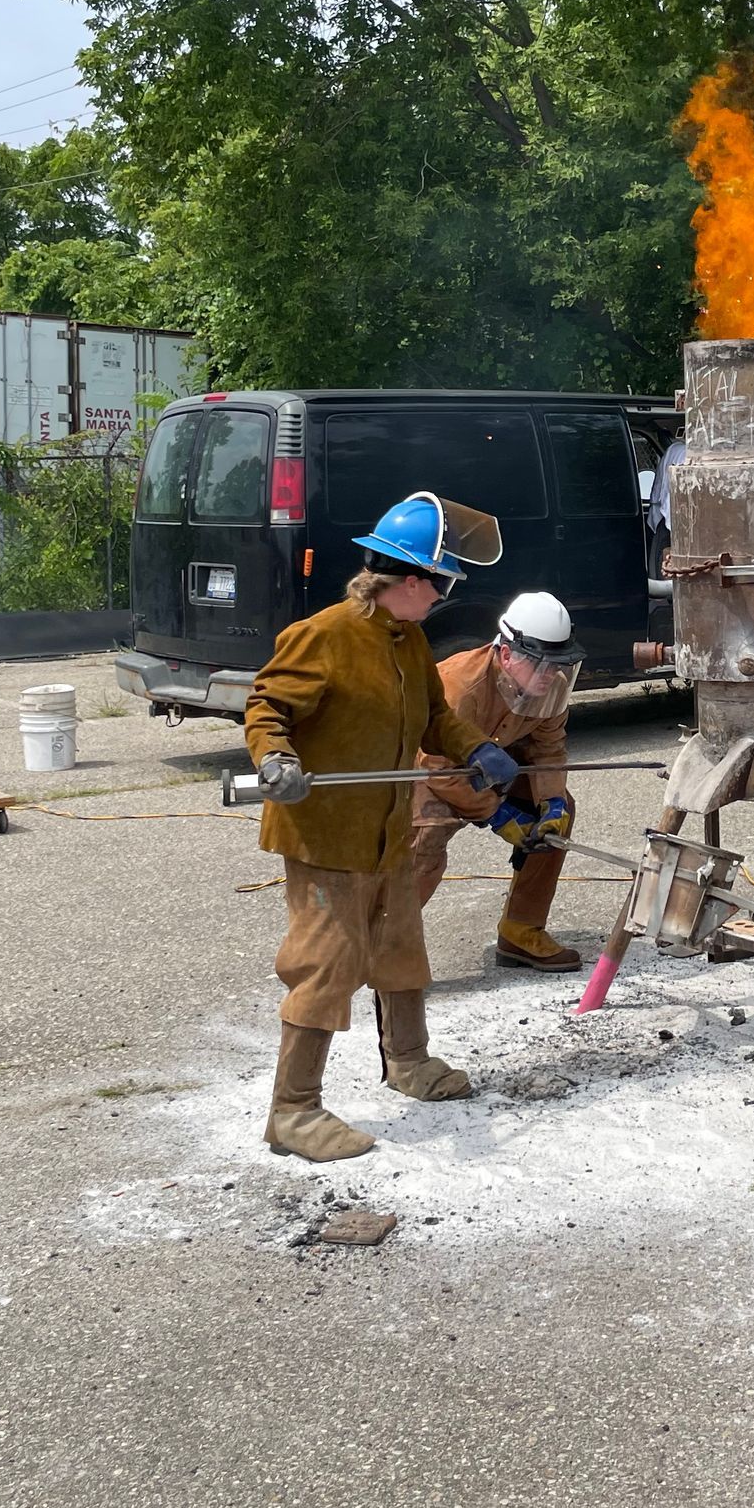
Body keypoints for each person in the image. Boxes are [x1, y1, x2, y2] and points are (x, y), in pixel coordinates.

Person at [244, 492, 524, 1163]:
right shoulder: (324, 636)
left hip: (387, 831)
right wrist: (275, 758)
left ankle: (408, 1061)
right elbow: (266, 706)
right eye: (442, 584)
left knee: (400, 949)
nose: (444, 596)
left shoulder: (408, 638)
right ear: (409, 580)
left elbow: (435, 717)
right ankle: (293, 1111)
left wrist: (476, 747)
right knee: (326, 963)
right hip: (327, 835)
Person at [414, 591, 586, 973]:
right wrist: (497, 814)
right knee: (426, 835)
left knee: (557, 817)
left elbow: (548, 751)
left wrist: (552, 804)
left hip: (495, 761)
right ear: (507, 655)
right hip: (430, 766)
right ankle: (388, 944)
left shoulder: (551, 687)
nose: (551, 675)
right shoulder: (460, 687)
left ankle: (521, 930)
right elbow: (438, 766)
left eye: (558, 665)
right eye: (542, 665)